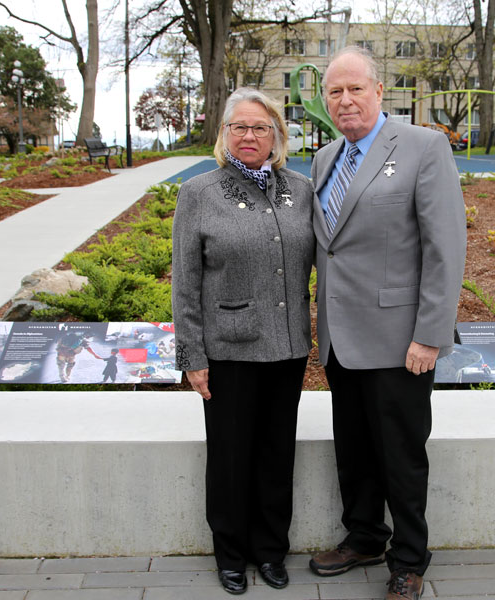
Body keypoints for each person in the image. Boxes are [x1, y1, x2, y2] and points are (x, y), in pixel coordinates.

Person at [308, 46, 467, 600]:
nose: (345, 99)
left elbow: (444, 246)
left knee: (401, 454)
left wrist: (430, 333)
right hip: (340, 338)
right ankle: (365, 537)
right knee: (353, 449)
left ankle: (408, 557)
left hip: (401, 340)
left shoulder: (424, 147)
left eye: (356, 88)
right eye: (335, 91)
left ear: (379, 92)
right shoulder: (326, 157)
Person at [171, 87, 314, 595]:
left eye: (260, 127)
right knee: (230, 458)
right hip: (228, 351)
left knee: (277, 457)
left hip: (289, 348)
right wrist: (192, 356)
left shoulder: (301, 188)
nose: (249, 136)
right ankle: (230, 554)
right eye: (240, 127)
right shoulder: (200, 193)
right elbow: (185, 283)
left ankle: (271, 551)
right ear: (225, 134)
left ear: (276, 135)